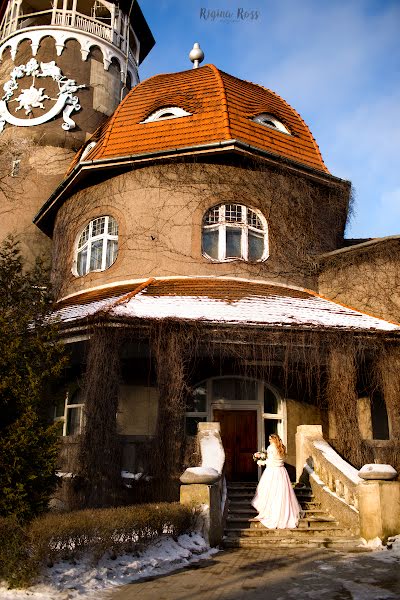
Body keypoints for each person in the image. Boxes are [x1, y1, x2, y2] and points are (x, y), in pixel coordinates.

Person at [251, 434, 301, 529]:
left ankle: (270, 511)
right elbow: (279, 460)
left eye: (270, 439)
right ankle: (283, 510)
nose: (269, 440)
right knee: (281, 493)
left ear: (274, 439)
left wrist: (261, 462)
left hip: (272, 472)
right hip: (282, 472)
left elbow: (271, 461)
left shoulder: (270, 448)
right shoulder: (282, 447)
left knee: (269, 491)